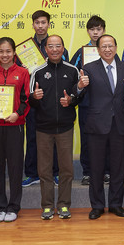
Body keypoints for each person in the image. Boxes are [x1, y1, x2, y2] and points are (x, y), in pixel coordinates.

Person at [29, 35, 82, 220]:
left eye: (57, 46)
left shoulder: (72, 70)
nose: (54, 49)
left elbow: (78, 95)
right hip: (43, 128)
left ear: (63, 48)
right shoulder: (37, 71)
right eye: (50, 46)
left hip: (66, 128)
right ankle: (47, 206)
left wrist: (71, 100)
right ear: (45, 49)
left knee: (67, 169)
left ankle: (64, 205)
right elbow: (29, 100)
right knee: (44, 170)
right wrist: (34, 97)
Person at [81, 34, 124, 220]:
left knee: (118, 167)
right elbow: (79, 94)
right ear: (98, 49)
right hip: (97, 125)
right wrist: (79, 86)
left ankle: (116, 205)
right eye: (104, 46)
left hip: (119, 123)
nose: (107, 49)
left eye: (111, 46)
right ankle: (97, 206)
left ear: (116, 48)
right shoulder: (88, 68)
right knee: (96, 168)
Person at [0, 37, 30, 223]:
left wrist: (18, 114)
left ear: (14, 52)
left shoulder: (23, 72)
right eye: (1, 51)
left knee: (16, 167)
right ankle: (0, 207)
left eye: (8, 51)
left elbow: (26, 99)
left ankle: (14, 206)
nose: (5, 55)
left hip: (15, 126)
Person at [22, 10, 69, 188]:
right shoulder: (25, 48)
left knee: (56, 139)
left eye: (43, 22)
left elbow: (66, 68)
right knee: (32, 137)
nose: (40, 26)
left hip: (55, 101)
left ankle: (55, 173)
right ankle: (32, 173)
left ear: (48, 24)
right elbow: (19, 71)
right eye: (37, 23)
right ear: (33, 24)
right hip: (34, 101)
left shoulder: (56, 44)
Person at [70, 15, 110, 186]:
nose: (96, 32)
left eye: (99, 29)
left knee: (106, 138)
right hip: (86, 104)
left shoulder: (109, 51)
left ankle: (106, 171)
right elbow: (72, 73)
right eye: (92, 29)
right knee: (87, 139)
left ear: (104, 30)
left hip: (106, 104)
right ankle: (87, 172)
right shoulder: (81, 52)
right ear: (88, 31)